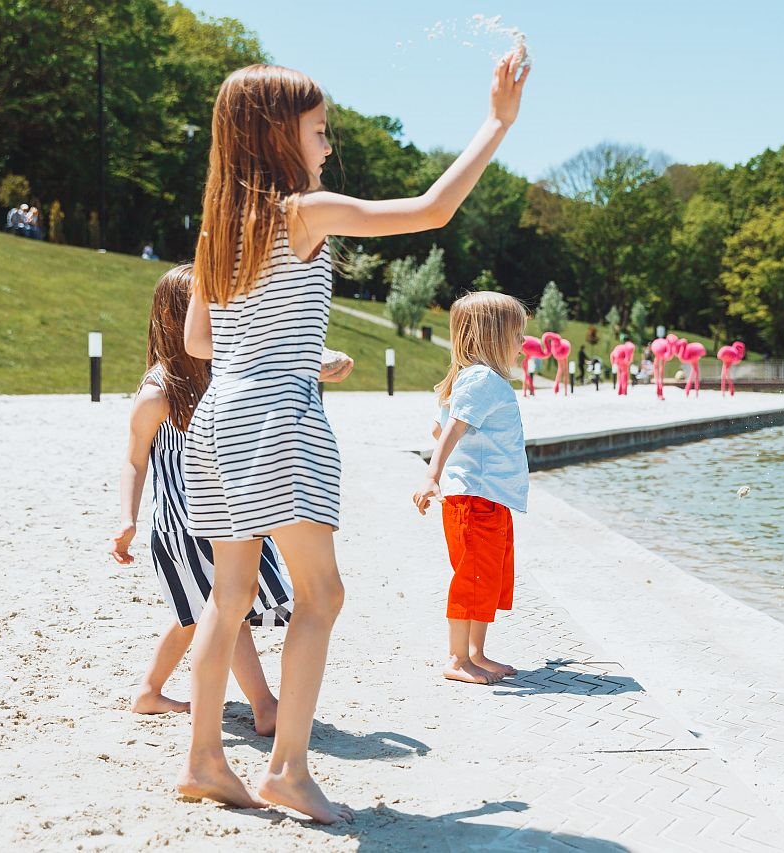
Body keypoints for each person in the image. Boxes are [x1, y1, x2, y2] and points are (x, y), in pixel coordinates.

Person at [180, 51, 529, 820]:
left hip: (218, 419)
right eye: (319, 131)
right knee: (322, 593)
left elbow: (202, 342)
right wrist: (496, 123)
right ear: (278, 135)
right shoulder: (300, 212)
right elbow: (431, 208)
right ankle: (288, 770)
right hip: (278, 418)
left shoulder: (216, 234)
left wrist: (301, 350)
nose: (327, 145)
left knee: (228, 594)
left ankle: (206, 757)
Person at [109, 264, 297, 732]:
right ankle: (264, 705)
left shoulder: (220, 376)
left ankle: (149, 692)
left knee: (195, 613)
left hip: (229, 514)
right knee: (224, 607)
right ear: (178, 317)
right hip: (186, 526)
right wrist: (127, 519)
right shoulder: (158, 392)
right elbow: (135, 459)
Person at [413, 292, 529, 686]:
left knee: (488, 578)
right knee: (474, 576)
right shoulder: (481, 379)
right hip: (476, 498)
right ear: (492, 337)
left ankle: (476, 653)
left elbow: (439, 426)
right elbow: (451, 430)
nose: (522, 344)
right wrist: (432, 475)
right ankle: (458, 659)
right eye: (517, 335)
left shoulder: (474, 380)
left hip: (489, 498)